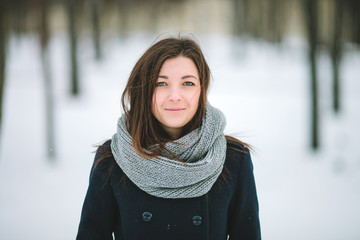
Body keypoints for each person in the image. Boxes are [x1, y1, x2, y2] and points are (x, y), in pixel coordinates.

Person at [76, 36, 261, 240]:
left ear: (202, 90)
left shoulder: (233, 159)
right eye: (161, 83)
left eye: (188, 83)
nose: (175, 95)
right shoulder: (112, 159)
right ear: (144, 90)